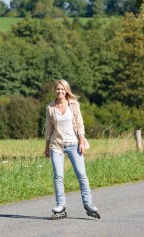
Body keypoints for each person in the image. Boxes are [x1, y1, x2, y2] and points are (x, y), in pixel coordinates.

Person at [44, 79, 100, 220]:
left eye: (63, 89)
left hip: (74, 144)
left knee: (82, 175)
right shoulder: (50, 107)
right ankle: (60, 205)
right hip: (57, 145)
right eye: (58, 89)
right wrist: (46, 147)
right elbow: (48, 128)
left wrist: (81, 141)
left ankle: (88, 204)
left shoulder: (73, 105)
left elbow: (80, 123)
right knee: (58, 176)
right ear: (55, 90)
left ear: (67, 90)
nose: (60, 91)